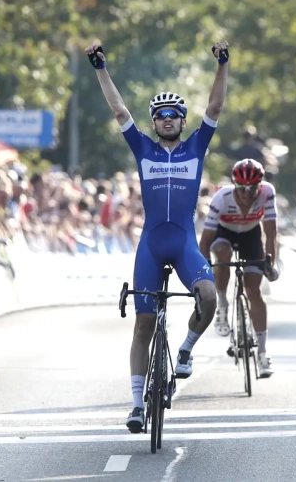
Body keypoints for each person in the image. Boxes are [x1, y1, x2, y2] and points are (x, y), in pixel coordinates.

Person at [85, 40, 230, 433]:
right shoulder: (143, 148)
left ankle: (184, 350)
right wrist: (101, 68)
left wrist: (222, 65)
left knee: (209, 296)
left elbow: (215, 108)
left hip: (183, 241)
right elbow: (118, 109)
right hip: (151, 243)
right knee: (143, 324)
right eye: (161, 115)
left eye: (174, 115)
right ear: (154, 122)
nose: (167, 119)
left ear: (183, 121)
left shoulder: (197, 148)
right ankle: (135, 406)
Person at [199, 158, 279, 377]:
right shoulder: (221, 198)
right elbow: (205, 242)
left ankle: (263, 354)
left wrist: (269, 263)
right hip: (224, 234)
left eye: (252, 188)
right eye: (242, 188)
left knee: (253, 290)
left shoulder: (267, 192)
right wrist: (205, 274)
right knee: (222, 255)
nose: (247, 193)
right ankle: (223, 306)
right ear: (234, 185)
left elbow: (271, 233)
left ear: (259, 186)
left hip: (251, 236)